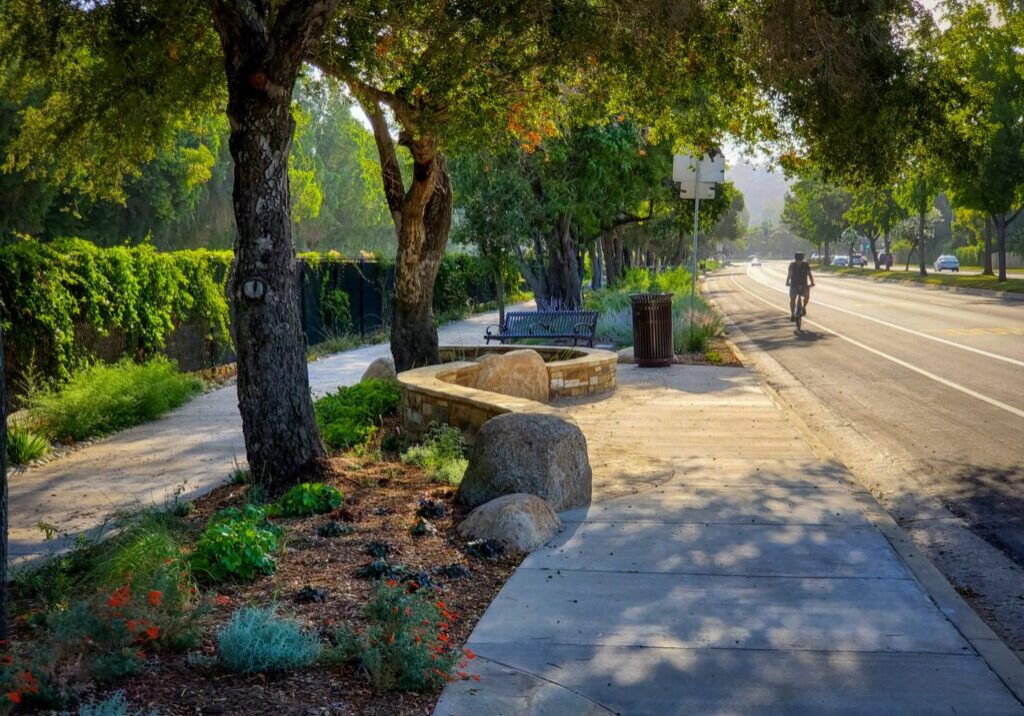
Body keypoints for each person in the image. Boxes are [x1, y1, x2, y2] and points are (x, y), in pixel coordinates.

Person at [786, 251, 814, 321]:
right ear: (795, 259)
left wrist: (812, 282)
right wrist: (787, 282)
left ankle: (803, 306)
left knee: (807, 296)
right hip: (794, 284)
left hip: (803, 284)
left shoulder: (805, 264)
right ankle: (792, 313)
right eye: (798, 260)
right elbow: (790, 274)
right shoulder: (792, 265)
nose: (799, 261)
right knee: (793, 298)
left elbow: (809, 274)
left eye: (800, 260)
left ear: (802, 259)